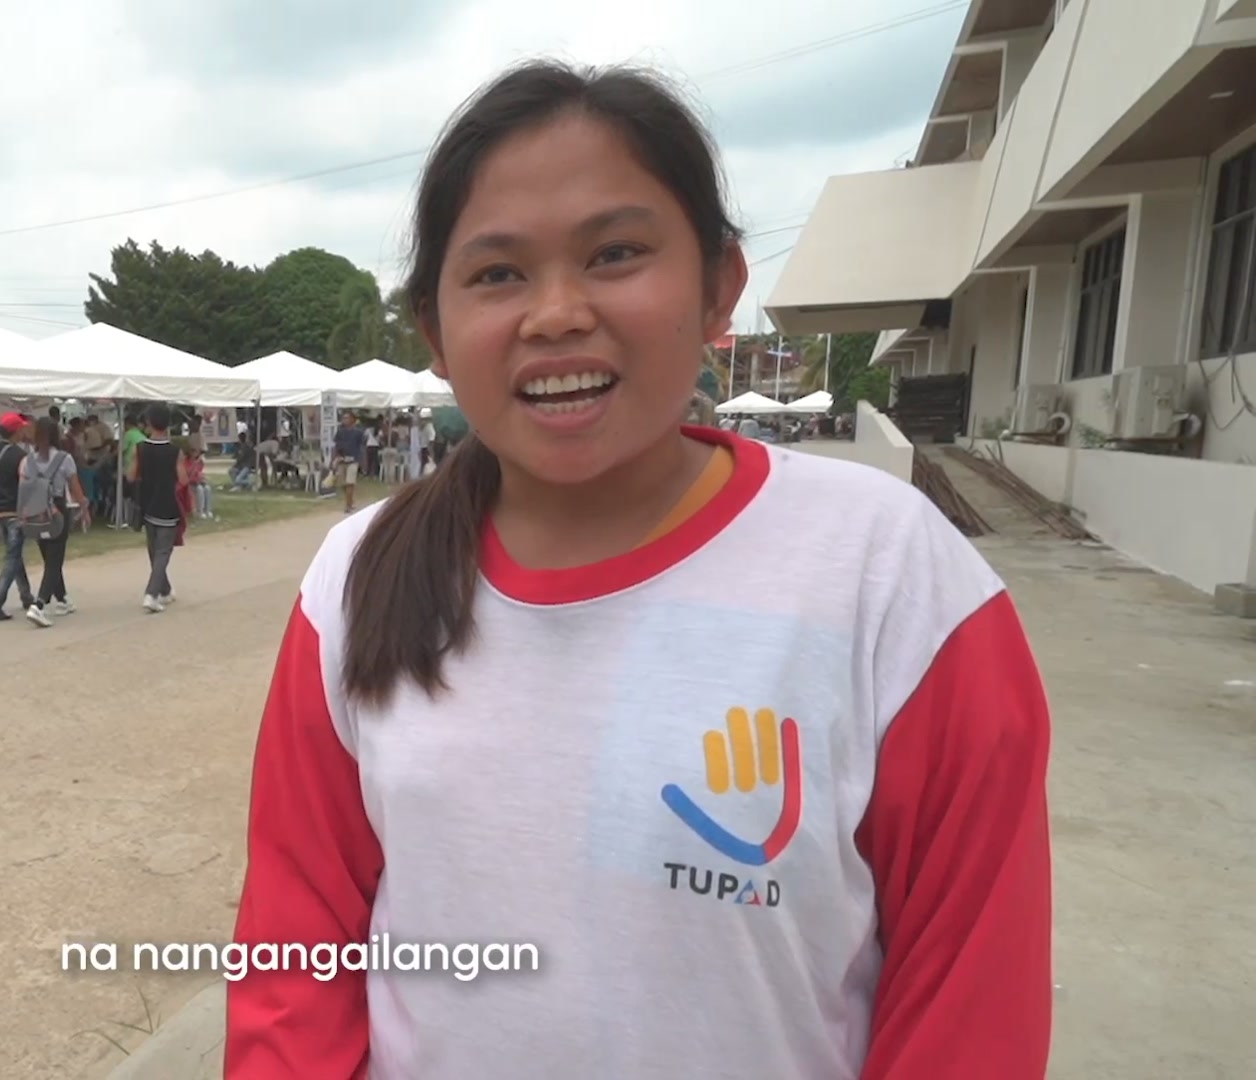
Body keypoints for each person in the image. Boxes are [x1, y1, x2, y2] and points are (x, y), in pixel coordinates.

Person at [224, 60, 1053, 1080]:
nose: (556, 313)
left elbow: (970, 1006)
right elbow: (293, 960)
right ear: (435, 333)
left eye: (614, 253)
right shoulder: (351, 582)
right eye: (496, 273)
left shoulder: (887, 571)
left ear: (720, 288)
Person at [20, 417, 90, 628]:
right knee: (55, 558)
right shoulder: (64, 458)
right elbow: (74, 487)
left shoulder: (28, 460)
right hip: (57, 508)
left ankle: (62, 598)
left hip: (34, 509)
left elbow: (24, 486)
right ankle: (39, 605)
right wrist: (84, 506)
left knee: (49, 556)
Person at [0, 413, 37, 621]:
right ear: (15, 431)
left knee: (15, 555)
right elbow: (26, 484)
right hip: (15, 512)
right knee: (12, 557)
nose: (24, 431)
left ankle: (26, 595)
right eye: (22, 428)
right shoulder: (20, 455)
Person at [129, 403, 187, 613]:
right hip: (168, 505)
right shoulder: (175, 452)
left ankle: (164, 589)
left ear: (149, 423)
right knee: (163, 552)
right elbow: (183, 479)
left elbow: (131, 475)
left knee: (154, 551)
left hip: (147, 504)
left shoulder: (140, 449)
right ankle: (151, 594)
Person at [330, 412, 365, 514]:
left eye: (347, 418)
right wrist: (334, 459)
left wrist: (362, 461)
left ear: (352, 420)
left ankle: (348, 506)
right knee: (343, 484)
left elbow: (361, 447)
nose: (345, 420)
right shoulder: (340, 432)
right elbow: (336, 446)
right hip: (342, 460)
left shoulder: (358, 433)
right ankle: (350, 500)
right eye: (343, 418)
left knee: (350, 483)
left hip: (353, 460)